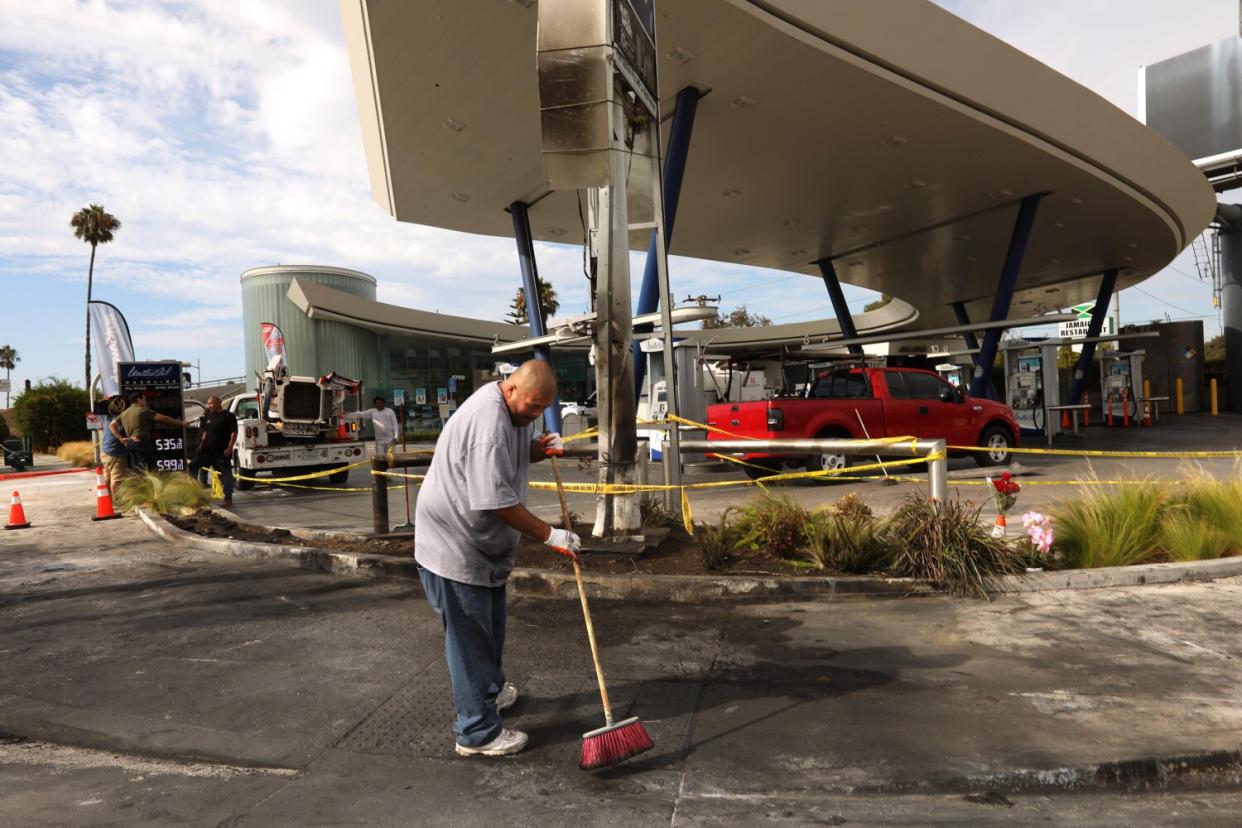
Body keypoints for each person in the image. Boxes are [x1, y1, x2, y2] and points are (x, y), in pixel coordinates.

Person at [415, 359, 577, 758]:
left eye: (543, 409)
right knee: (470, 639)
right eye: (533, 407)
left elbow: (513, 452)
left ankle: (488, 691)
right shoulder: (489, 423)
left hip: (479, 546)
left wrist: (538, 449)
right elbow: (493, 501)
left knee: (490, 629)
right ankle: (476, 731)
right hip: (454, 545)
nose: (536, 415)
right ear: (511, 389)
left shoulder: (511, 413)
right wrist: (549, 533)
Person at [118, 392, 192, 472]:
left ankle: (139, 483)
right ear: (138, 399)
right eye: (144, 399)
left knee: (136, 469)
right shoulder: (142, 410)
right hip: (141, 443)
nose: (145, 402)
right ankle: (147, 484)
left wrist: (121, 439)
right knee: (146, 469)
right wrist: (181, 423)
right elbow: (164, 419)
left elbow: (112, 425)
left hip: (130, 443)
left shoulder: (124, 413)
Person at [189, 396, 239, 507]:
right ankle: (194, 495)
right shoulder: (208, 415)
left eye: (211, 403)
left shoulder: (228, 416)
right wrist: (201, 444)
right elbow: (206, 431)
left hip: (221, 452)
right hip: (207, 451)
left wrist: (230, 447)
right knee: (193, 466)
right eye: (208, 403)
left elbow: (234, 433)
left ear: (219, 403)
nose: (209, 405)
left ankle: (228, 498)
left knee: (226, 475)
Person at [101, 398, 129, 495]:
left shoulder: (105, 416)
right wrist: (122, 439)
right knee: (117, 479)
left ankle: (108, 501)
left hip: (105, 452)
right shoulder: (120, 418)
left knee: (107, 478)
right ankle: (117, 503)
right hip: (115, 453)